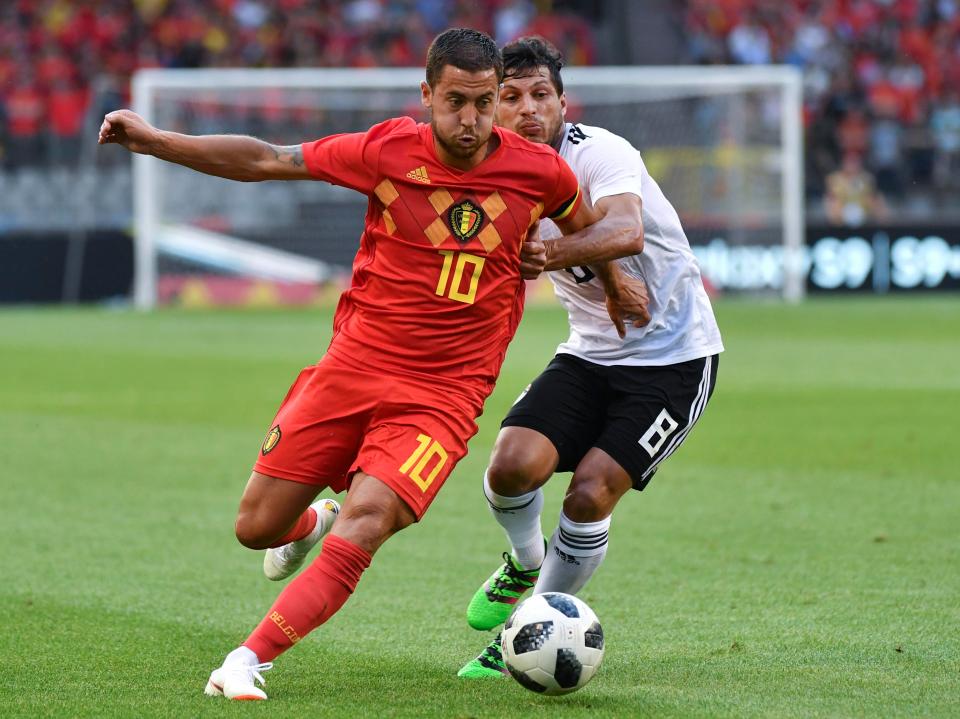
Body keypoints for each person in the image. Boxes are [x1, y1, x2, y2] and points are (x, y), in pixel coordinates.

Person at [99, 28, 646, 701]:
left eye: (483, 103)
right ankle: (310, 523)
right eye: (456, 102)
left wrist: (616, 286)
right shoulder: (386, 151)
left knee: (370, 517)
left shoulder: (540, 171)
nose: (471, 120)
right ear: (427, 95)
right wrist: (156, 141)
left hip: (442, 396)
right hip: (351, 369)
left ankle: (247, 659)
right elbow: (268, 158)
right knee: (256, 528)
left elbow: (585, 223)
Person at [456, 36, 724, 678]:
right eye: (511, 97)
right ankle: (525, 562)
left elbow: (624, 228)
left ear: (562, 102)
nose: (528, 109)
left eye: (540, 95)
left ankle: (529, 626)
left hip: (673, 358)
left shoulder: (600, 151)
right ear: (491, 107)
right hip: (588, 352)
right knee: (510, 467)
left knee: (589, 492)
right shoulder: (492, 173)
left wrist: (549, 255)